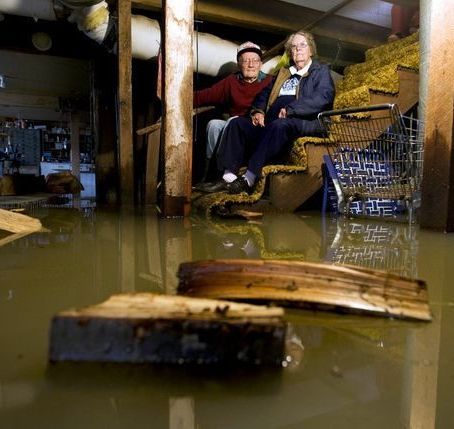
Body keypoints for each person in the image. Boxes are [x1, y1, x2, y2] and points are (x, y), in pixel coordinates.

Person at [206, 30, 335, 194]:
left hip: (302, 122)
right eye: (294, 47)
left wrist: (291, 109)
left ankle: (249, 178)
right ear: (290, 52)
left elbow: (323, 97)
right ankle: (228, 178)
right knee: (237, 123)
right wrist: (258, 111)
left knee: (279, 126)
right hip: (271, 122)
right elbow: (264, 95)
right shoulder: (284, 73)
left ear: (311, 49)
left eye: (302, 45)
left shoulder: (320, 71)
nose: (298, 50)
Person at [193, 41, 272, 183]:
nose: (251, 64)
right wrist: (179, 97)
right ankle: (213, 172)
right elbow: (206, 95)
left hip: (256, 130)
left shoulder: (269, 82)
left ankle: (228, 171)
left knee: (232, 121)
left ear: (260, 64)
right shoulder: (231, 81)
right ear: (238, 64)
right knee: (214, 125)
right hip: (233, 130)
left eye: (255, 60)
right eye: (245, 61)